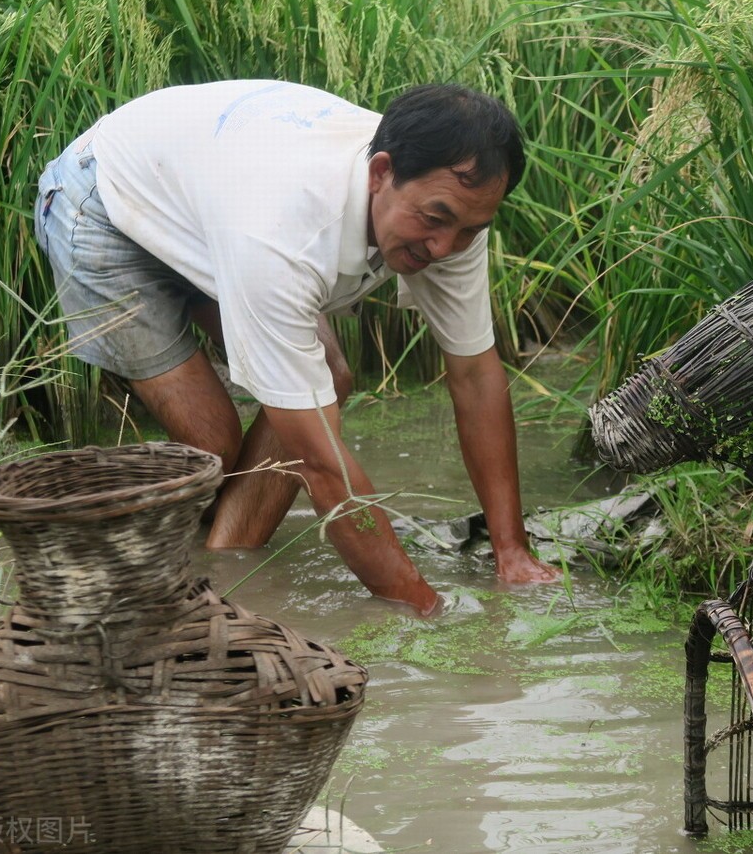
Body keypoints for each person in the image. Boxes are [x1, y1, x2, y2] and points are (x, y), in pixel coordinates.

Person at [33, 79, 561, 615]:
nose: (446, 247)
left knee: (326, 382)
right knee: (213, 446)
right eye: (434, 220)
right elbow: (322, 465)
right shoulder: (285, 233)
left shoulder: (456, 206)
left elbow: (475, 375)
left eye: (470, 229)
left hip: (212, 189)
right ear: (381, 173)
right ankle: (113, 548)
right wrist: (426, 608)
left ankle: (227, 568)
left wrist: (511, 551)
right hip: (104, 198)